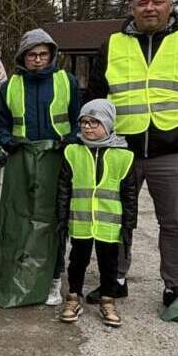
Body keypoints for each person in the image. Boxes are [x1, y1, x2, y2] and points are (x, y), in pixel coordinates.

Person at [86, 0, 178, 307]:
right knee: (115, 219)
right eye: (142, 3)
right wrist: (93, 140)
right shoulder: (112, 44)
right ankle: (114, 279)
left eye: (157, 1)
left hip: (173, 151)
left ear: (170, 5)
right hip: (121, 149)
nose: (149, 8)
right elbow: (93, 96)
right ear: (132, 8)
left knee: (174, 224)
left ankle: (173, 286)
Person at [0, 28, 81, 306]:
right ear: (23, 56)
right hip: (21, 158)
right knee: (19, 215)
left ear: (52, 55)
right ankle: (17, 272)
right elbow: (3, 122)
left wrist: (68, 142)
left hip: (57, 158)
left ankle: (54, 277)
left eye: (43, 54)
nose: (38, 59)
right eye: (32, 54)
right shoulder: (12, 85)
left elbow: (78, 118)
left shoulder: (66, 81)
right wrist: (8, 142)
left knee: (53, 219)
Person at [56, 99, 137, 327]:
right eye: (84, 122)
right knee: (77, 261)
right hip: (80, 220)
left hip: (110, 224)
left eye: (95, 122)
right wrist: (61, 219)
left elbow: (129, 194)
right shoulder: (72, 152)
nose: (88, 127)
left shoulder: (124, 156)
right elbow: (63, 188)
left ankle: (108, 300)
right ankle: (73, 297)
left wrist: (129, 225)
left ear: (109, 124)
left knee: (109, 263)